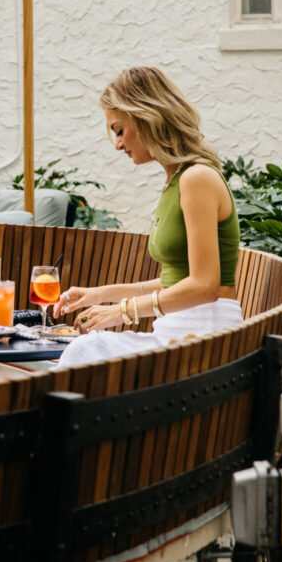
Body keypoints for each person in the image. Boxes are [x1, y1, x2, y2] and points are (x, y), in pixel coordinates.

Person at [54, 67, 242, 366]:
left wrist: (121, 311)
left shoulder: (197, 179)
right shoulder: (177, 181)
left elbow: (205, 286)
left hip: (204, 338)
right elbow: (176, 281)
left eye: (119, 130)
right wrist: (99, 295)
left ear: (146, 117)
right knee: (85, 350)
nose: (117, 144)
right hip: (181, 330)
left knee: (84, 353)